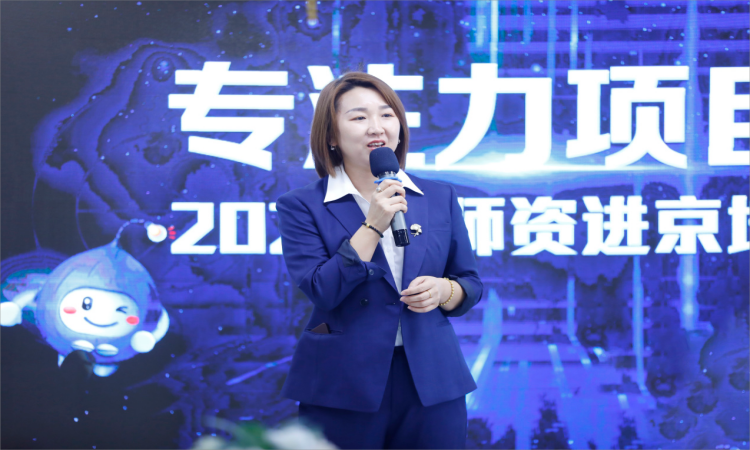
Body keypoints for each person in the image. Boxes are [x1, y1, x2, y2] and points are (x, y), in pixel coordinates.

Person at [276, 71, 483, 450]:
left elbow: (469, 282)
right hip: (342, 382)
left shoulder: (439, 197)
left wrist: (444, 291)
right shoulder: (301, 205)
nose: (377, 126)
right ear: (331, 136)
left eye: (387, 115)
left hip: (431, 380)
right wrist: (373, 223)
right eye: (359, 117)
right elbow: (323, 289)